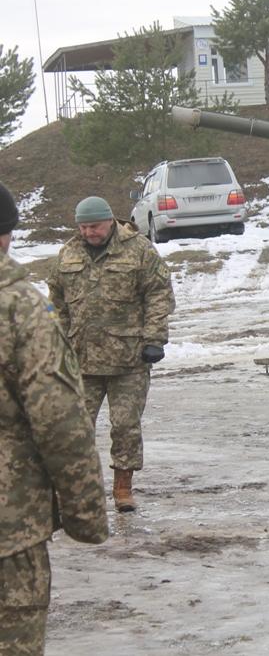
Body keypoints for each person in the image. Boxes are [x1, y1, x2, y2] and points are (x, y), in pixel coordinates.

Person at [1, 181, 109, 653]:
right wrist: (86, 518)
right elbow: (60, 423)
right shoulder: (18, 309)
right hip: (8, 531)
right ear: (5, 235)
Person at [47, 196, 176, 513]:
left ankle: (123, 489)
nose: (89, 232)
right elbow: (56, 302)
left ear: (110, 221)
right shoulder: (68, 253)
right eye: (83, 227)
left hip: (129, 358)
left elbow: (159, 294)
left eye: (94, 226)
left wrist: (155, 339)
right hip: (81, 359)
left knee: (125, 426)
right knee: (74, 429)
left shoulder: (139, 249)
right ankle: (76, 492)